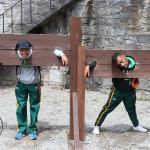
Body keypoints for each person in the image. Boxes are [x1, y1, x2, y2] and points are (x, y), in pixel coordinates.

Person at [15, 40, 68, 140]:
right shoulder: (15, 53)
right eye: (21, 50)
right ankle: (21, 129)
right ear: (17, 50)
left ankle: (32, 129)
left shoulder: (35, 53)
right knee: (20, 107)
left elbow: (52, 50)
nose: (24, 53)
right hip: (21, 84)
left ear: (30, 49)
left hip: (34, 84)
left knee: (34, 107)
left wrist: (62, 54)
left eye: (26, 50)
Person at [84, 52, 147, 134]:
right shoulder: (116, 66)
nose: (121, 64)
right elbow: (96, 62)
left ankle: (136, 125)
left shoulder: (133, 61)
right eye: (119, 63)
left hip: (130, 91)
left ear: (124, 57)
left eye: (121, 61)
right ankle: (97, 125)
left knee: (131, 109)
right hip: (117, 91)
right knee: (107, 108)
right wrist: (88, 66)